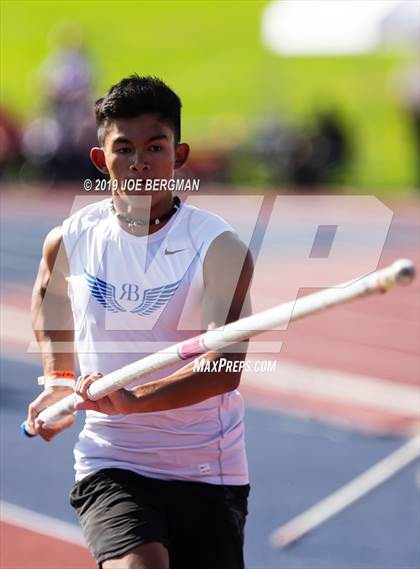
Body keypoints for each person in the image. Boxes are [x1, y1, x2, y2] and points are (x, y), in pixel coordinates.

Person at [26, 74, 253, 569]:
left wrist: (135, 400)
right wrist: (58, 380)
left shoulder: (218, 248)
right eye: (124, 148)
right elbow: (50, 300)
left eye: (155, 146)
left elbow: (225, 367)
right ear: (99, 158)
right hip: (112, 462)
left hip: (207, 470)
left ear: (181, 154)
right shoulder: (71, 238)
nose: (140, 163)